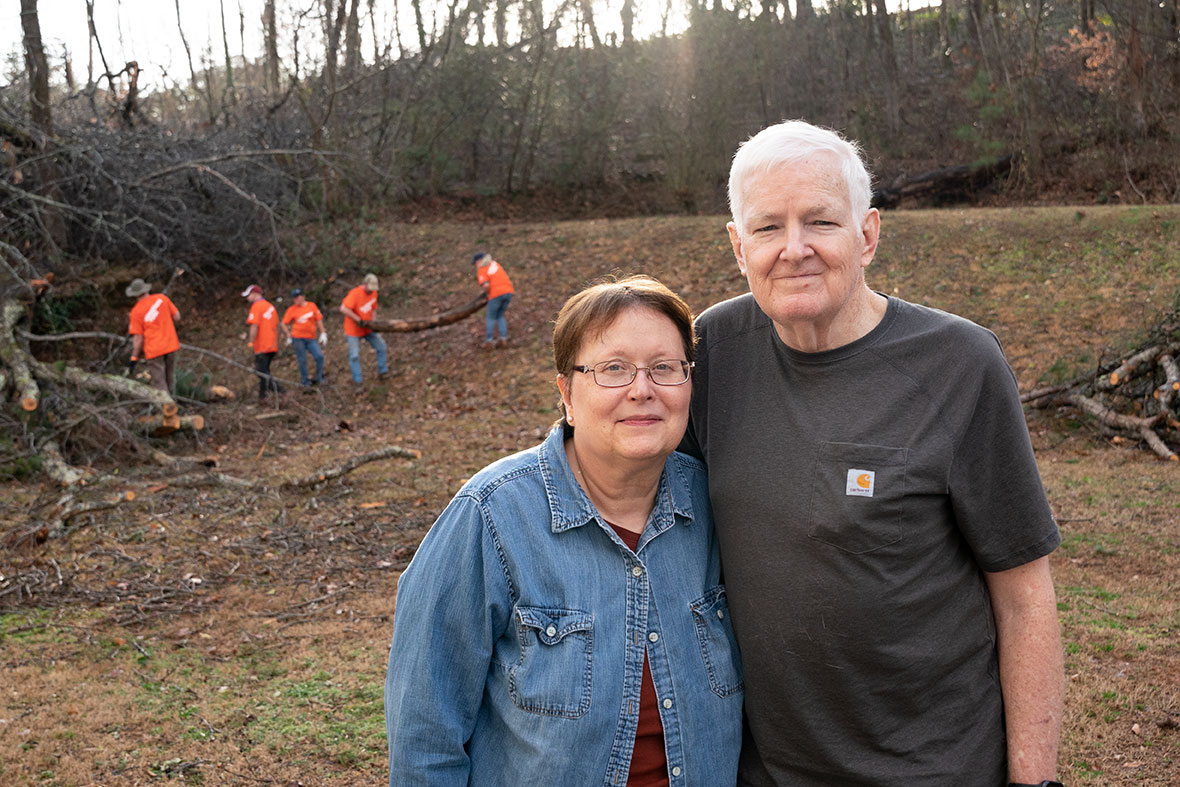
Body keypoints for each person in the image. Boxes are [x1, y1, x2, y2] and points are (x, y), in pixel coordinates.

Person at [680, 120, 1064, 787]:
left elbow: (1025, 595)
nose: (794, 249)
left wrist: (1036, 780)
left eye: (821, 222)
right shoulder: (711, 352)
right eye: (768, 227)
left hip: (935, 768)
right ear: (739, 247)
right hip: (762, 771)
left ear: (868, 235)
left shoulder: (960, 365)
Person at [385, 276, 742, 787]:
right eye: (613, 369)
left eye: (665, 368)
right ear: (567, 393)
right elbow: (425, 736)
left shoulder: (717, 504)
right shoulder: (490, 517)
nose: (642, 389)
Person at [126, 277, 180, 398]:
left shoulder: (136, 312)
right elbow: (177, 317)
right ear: (146, 290)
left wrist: (134, 357)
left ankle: (168, 411)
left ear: (135, 295)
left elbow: (138, 339)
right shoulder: (162, 299)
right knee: (170, 378)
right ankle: (173, 405)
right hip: (171, 345)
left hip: (154, 351)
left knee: (159, 383)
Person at [339, 272, 389, 388]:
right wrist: (357, 319)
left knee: (381, 347)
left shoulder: (374, 293)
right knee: (354, 356)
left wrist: (374, 324)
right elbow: (343, 308)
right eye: (370, 288)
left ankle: (383, 372)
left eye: (373, 289)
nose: (371, 291)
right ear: (364, 284)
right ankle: (358, 382)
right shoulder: (355, 294)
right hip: (353, 330)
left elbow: (374, 309)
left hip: (368, 328)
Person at [242, 284, 282, 400]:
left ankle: (280, 391)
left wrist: (251, 342)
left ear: (255, 294)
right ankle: (263, 396)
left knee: (261, 371)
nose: (247, 298)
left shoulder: (256, 307)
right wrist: (276, 342)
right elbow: (276, 326)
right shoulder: (270, 306)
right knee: (264, 371)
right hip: (272, 345)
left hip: (262, 345)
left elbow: (254, 325)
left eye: (248, 295)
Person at [281, 288, 328, 387]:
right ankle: (305, 381)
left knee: (319, 356)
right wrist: (288, 334)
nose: (296, 299)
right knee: (302, 360)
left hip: (311, 338)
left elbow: (318, 319)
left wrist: (323, 332)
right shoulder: (292, 310)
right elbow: (284, 323)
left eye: (298, 297)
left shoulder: (312, 306)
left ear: (303, 297)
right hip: (297, 338)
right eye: (294, 298)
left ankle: (320, 377)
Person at [473, 251, 515, 349]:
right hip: (508, 292)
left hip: (496, 294)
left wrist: (487, 294)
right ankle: (503, 339)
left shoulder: (482, 269)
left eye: (475, 263)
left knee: (491, 317)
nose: (475, 266)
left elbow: (486, 285)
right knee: (499, 315)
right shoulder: (495, 264)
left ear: (479, 261)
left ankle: (489, 341)